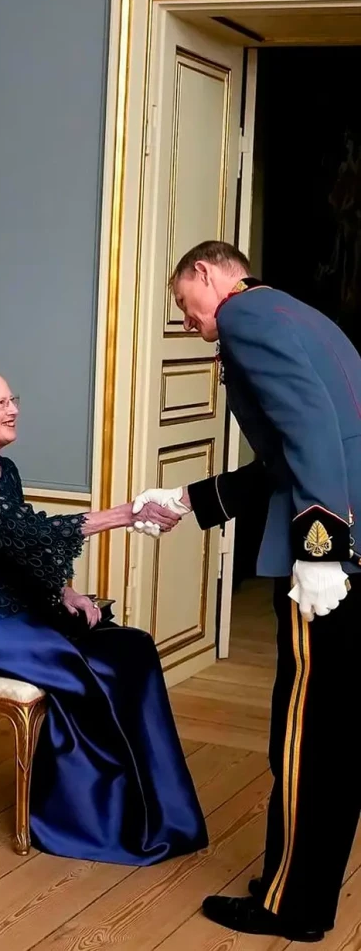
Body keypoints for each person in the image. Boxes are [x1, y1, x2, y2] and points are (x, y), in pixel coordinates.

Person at [132, 239, 361, 943]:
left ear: (208, 274)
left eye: (183, 303)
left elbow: (309, 432)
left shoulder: (244, 319)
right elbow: (294, 452)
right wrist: (192, 499)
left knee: (304, 737)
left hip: (328, 565)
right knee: (337, 731)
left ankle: (291, 906)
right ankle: (301, 884)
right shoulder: (302, 315)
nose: (191, 323)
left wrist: (321, 547)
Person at [0, 367, 208, 866]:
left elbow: (17, 553)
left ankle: (161, 807)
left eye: (13, 397)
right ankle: (89, 821)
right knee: (78, 670)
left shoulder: (2, 471)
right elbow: (29, 534)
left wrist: (66, 592)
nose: (13, 408)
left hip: (21, 614)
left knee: (132, 648)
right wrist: (126, 512)